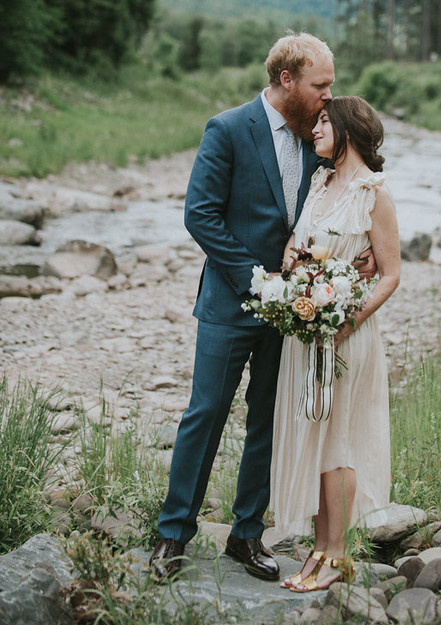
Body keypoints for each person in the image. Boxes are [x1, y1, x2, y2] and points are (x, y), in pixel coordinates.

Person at [149, 32, 336, 582]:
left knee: (267, 420)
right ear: (287, 79)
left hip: (292, 311)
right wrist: (257, 282)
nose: (328, 95)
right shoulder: (228, 128)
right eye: (320, 84)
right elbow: (200, 216)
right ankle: (172, 534)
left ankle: (246, 534)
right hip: (231, 304)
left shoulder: (316, 137)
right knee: (204, 416)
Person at [270, 96, 401, 593]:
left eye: (324, 122)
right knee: (320, 438)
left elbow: (390, 275)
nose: (314, 130)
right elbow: (297, 245)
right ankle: (319, 549)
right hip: (309, 331)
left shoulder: (374, 194)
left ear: (348, 129)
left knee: (340, 441)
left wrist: (346, 319)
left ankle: (338, 555)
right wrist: (293, 276)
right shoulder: (321, 182)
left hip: (346, 335)